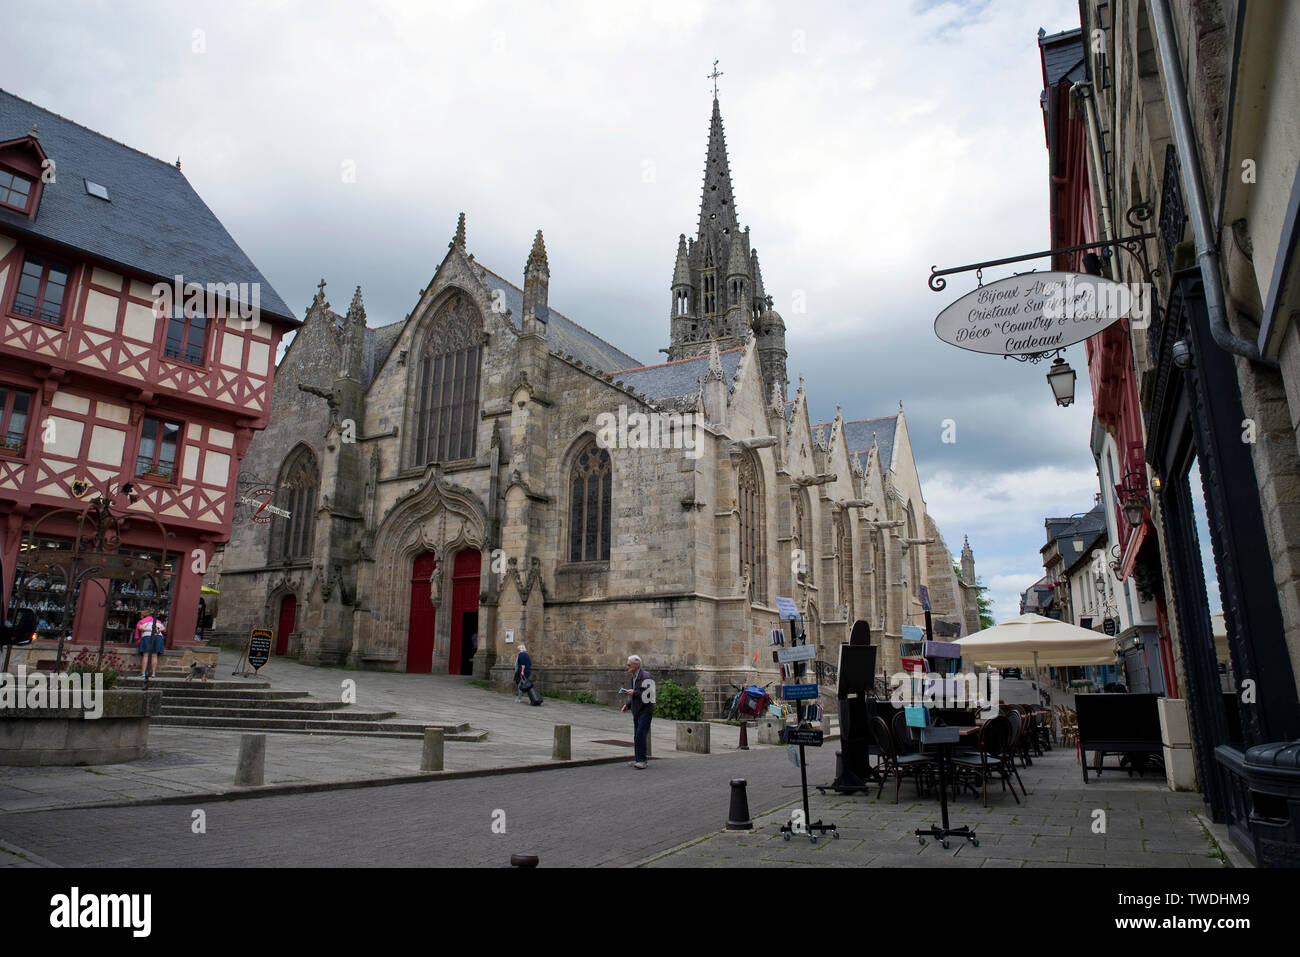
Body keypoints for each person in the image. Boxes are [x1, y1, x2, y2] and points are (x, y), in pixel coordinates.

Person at [621, 654, 654, 769]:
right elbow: (634, 694)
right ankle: (638, 759)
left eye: (629, 665)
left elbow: (649, 694)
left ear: (636, 665)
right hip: (637, 710)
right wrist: (627, 705)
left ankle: (642, 761)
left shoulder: (645, 676)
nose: (627, 666)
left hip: (645, 711)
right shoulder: (634, 676)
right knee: (637, 735)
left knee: (640, 735)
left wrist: (634, 693)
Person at [134, 609, 165, 678]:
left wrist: (149, 630)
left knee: (146, 655)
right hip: (158, 637)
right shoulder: (158, 621)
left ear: (143, 616)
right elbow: (163, 628)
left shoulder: (141, 621)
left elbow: (140, 628)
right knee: (154, 655)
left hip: (147, 636)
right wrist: (157, 630)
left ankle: (143, 673)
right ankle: (153, 673)